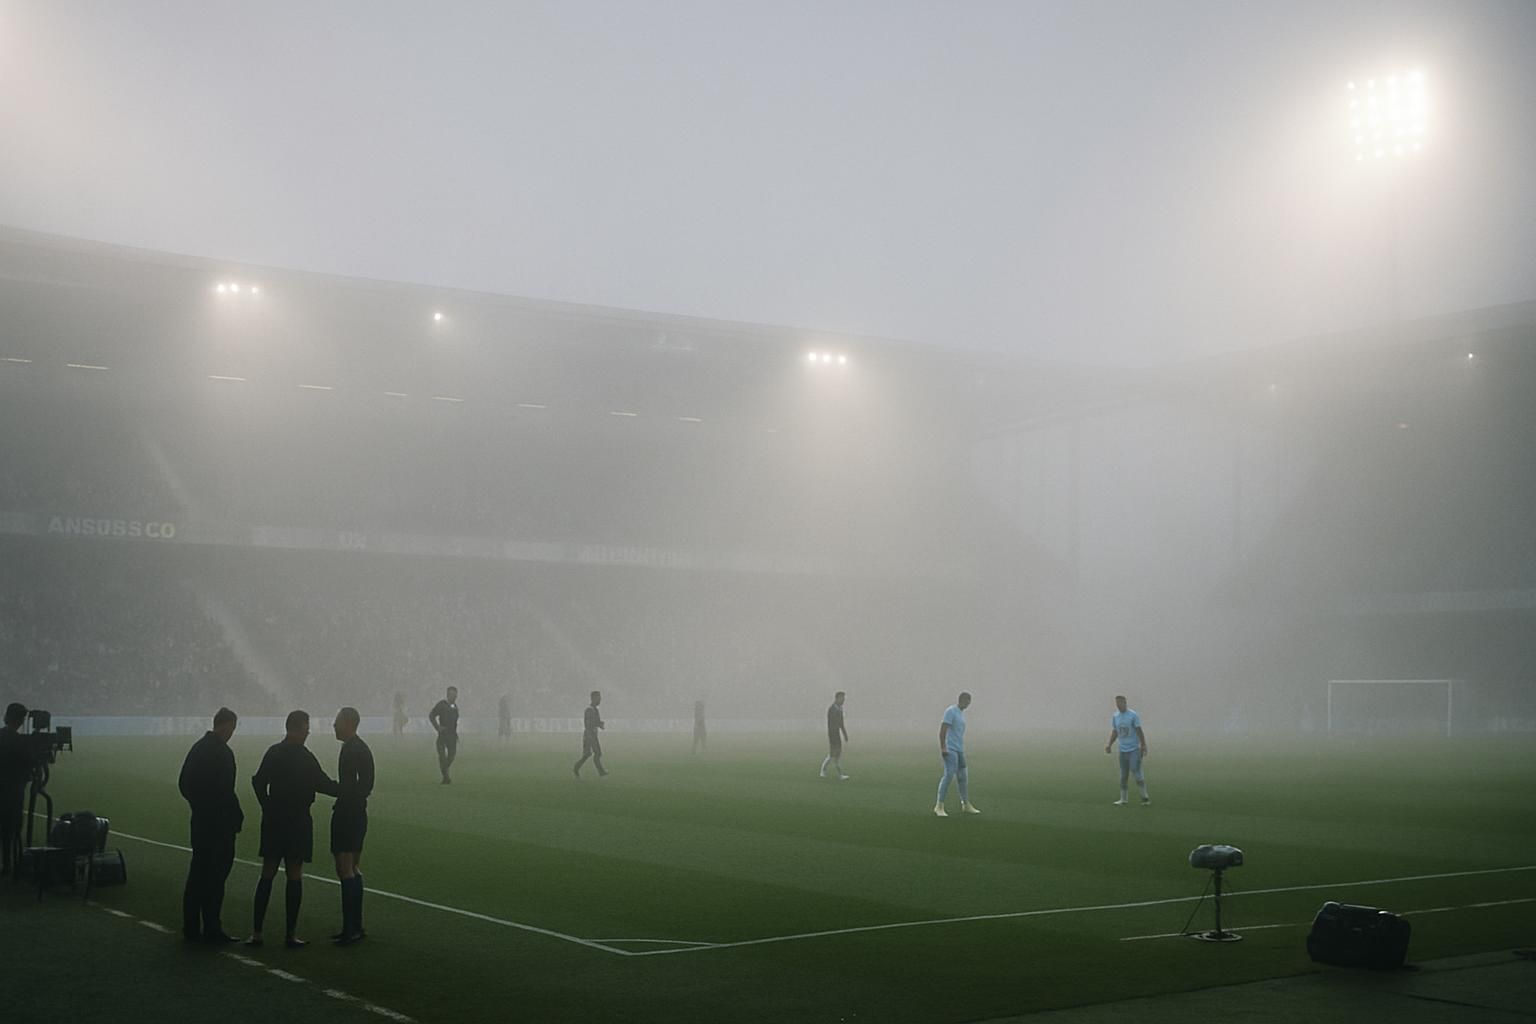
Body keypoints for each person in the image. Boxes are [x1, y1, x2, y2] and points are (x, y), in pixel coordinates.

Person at [247, 710, 338, 948]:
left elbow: (258, 781)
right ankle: (290, 934)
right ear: (297, 728)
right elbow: (323, 784)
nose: (309, 731)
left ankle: (257, 933)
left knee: (267, 872)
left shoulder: (273, 752)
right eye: (307, 727)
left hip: (274, 819)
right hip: (298, 821)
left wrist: (266, 805)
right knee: (294, 874)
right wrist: (349, 790)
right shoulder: (306, 757)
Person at [178, 707, 244, 944]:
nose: (232, 733)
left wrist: (199, 806)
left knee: (198, 874)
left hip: (201, 822)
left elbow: (184, 784)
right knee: (216, 877)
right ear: (225, 725)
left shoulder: (198, 748)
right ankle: (212, 928)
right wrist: (233, 816)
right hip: (219, 826)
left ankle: (192, 927)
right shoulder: (222, 753)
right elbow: (226, 791)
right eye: (232, 728)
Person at [329, 707, 374, 947]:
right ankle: (356, 926)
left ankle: (350, 928)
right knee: (354, 868)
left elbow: (351, 787)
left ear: (347, 723)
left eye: (336, 722)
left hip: (347, 814)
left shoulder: (351, 749)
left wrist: (334, 790)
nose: (333, 726)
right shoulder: (362, 747)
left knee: (344, 869)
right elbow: (367, 785)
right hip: (358, 814)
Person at [934, 692, 979, 817]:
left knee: (963, 776)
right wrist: (943, 747)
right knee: (948, 775)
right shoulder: (951, 711)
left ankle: (965, 803)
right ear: (962, 700)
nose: (968, 704)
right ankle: (939, 805)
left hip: (959, 749)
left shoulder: (961, 714)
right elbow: (943, 729)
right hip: (950, 748)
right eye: (967, 701)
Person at [0, 702, 30, 877]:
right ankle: (9, 863)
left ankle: (8, 863)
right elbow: (28, 765)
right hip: (13, 791)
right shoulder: (20, 742)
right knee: (10, 829)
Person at [1105, 695, 1150, 806]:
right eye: (1116, 704)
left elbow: (1139, 730)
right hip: (1122, 750)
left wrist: (1143, 745)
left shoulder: (1133, 715)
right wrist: (1109, 744)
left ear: (1125, 703)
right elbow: (1115, 731)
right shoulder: (1116, 716)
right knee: (1123, 775)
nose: (1118, 706)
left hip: (1134, 749)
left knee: (1136, 771)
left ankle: (1145, 797)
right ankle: (1123, 799)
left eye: (1120, 703)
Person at [429, 686, 460, 784]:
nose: (453, 697)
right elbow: (432, 715)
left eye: (455, 695)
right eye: (451, 694)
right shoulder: (442, 705)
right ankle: (446, 777)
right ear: (448, 695)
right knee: (442, 756)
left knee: (451, 756)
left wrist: (455, 734)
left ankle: (444, 771)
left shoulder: (455, 707)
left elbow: (454, 723)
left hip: (452, 736)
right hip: (443, 735)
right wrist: (437, 727)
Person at [573, 690, 607, 778]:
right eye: (599, 698)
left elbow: (595, 721)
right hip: (590, 734)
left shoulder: (594, 710)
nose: (600, 700)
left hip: (591, 734)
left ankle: (576, 767)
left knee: (587, 754)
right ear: (594, 698)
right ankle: (601, 772)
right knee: (597, 753)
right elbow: (588, 724)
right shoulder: (589, 710)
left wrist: (599, 724)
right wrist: (598, 724)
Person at [820, 692, 849, 779]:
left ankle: (838, 774)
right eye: (842, 698)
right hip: (833, 735)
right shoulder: (832, 709)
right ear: (837, 698)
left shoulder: (839, 709)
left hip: (836, 734)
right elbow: (832, 724)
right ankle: (824, 771)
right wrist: (834, 735)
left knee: (836, 755)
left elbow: (841, 723)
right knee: (833, 755)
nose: (843, 700)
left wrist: (844, 734)